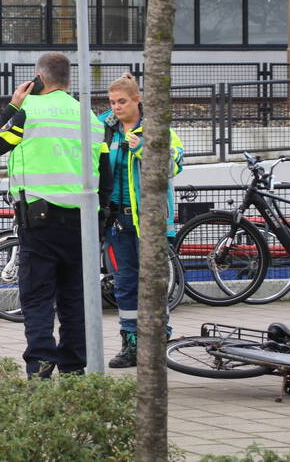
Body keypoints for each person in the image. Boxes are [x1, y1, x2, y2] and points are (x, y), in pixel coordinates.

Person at [0, 52, 111, 378]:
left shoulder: (28, 111)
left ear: (39, 77)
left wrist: (13, 105)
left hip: (39, 222)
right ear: (68, 81)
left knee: (38, 298)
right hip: (82, 223)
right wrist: (99, 223)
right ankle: (73, 367)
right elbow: (106, 178)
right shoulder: (90, 118)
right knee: (74, 300)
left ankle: (40, 367)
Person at [98, 72, 184, 368]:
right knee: (124, 284)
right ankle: (131, 343)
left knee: (152, 283)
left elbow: (174, 165)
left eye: (122, 101)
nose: (116, 107)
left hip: (150, 221)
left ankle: (159, 340)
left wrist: (142, 149)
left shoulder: (158, 128)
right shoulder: (104, 128)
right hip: (116, 221)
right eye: (111, 102)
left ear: (138, 100)